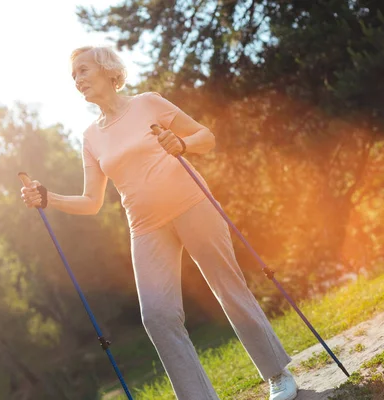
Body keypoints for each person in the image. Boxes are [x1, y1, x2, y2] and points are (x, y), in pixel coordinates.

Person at [20, 46, 298, 400]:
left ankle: (276, 373)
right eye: (74, 75)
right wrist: (50, 198)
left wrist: (180, 143)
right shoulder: (91, 137)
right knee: (156, 315)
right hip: (146, 227)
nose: (78, 80)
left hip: (193, 204)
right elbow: (92, 202)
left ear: (108, 71)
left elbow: (206, 137)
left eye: (84, 71)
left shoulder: (148, 103)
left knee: (227, 287)